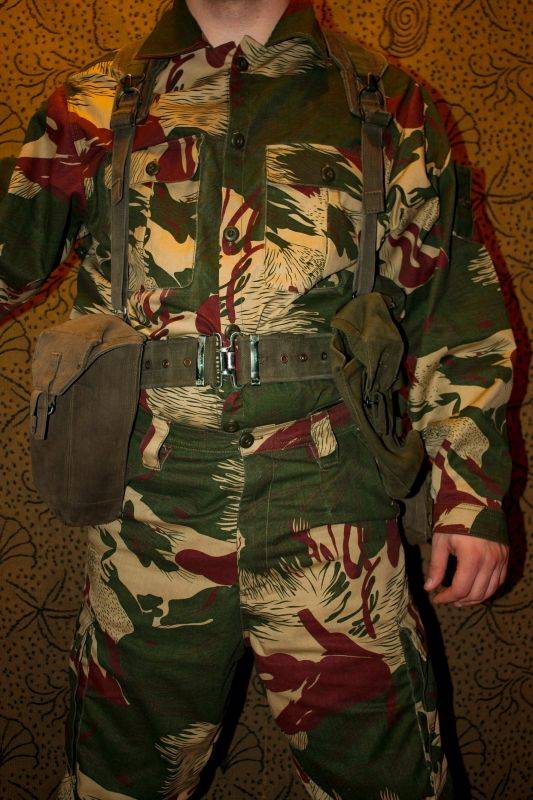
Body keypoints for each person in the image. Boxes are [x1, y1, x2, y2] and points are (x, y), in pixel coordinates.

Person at [0, 0, 515, 798]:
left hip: (334, 496)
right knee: (116, 781)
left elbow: (454, 311)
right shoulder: (92, 104)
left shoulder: (384, 101)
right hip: (149, 502)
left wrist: (469, 497)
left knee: (388, 779)